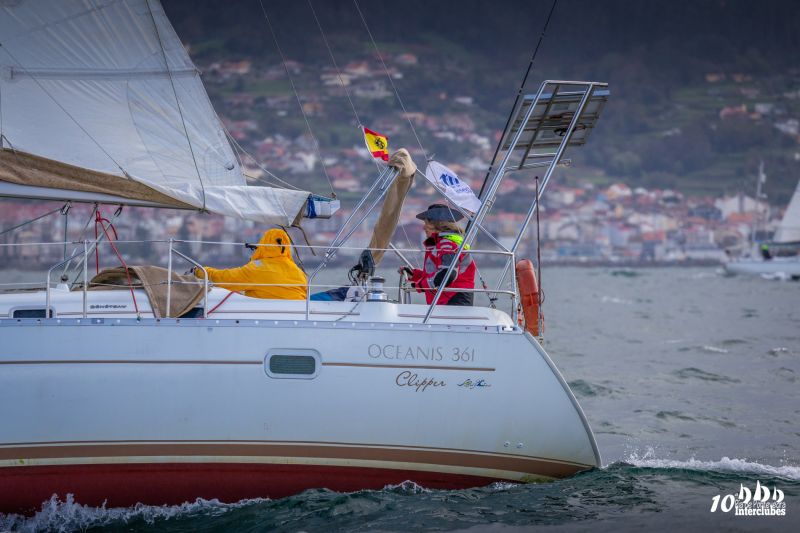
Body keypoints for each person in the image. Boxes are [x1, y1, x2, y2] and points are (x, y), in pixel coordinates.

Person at [193, 228, 307, 299]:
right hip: (299, 315)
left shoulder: (257, 269)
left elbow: (227, 278)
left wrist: (200, 271)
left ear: (263, 245)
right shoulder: (298, 272)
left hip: (266, 318)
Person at [404, 203, 475, 306]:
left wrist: (420, 286)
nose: (424, 228)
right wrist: (414, 275)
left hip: (453, 300)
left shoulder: (447, 244)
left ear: (437, 225)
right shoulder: (443, 243)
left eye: (426, 223)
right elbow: (436, 274)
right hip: (448, 301)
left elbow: (447, 274)